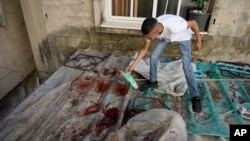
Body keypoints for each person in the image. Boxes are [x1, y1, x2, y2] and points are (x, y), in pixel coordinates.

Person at [125, 14, 202, 113]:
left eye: (148, 37)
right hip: (167, 37)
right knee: (153, 56)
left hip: (183, 36)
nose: (147, 38)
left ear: (155, 32)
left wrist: (199, 41)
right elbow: (144, 49)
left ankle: (195, 96)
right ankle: (153, 82)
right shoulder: (152, 29)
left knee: (186, 66)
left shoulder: (175, 26)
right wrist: (132, 67)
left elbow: (194, 23)